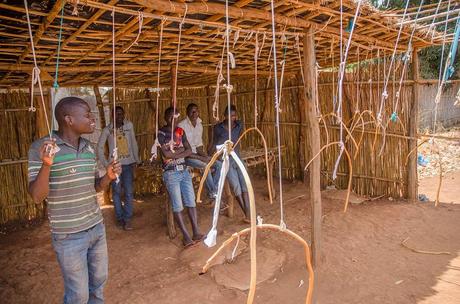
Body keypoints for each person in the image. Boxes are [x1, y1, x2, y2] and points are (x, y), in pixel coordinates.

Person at [28, 96, 121, 304]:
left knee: (98, 285)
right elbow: (36, 196)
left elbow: (95, 186)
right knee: (78, 295)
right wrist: (46, 164)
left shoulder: (89, 148)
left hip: (96, 228)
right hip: (68, 235)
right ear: (68, 120)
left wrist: (108, 177)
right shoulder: (41, 148)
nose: (92, 118)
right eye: (87, 115)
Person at [158, 107, 204, 248]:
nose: (174, 120)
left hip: (184, 171)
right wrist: (181, 151)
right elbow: (166, 155)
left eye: (176, 117)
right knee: (178, 205)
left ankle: (196, 232)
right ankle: (185, 236)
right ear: (166, 118)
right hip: (171, 173)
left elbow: (189, 149)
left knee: (191, 202)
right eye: (171, 117)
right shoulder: (160, 133)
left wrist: (174, 154)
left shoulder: (180, 131)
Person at [97, 106, 140, 230]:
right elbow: (99, 148)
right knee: (116, 192)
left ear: (124, 114)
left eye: (121, 114)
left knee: (129, 192)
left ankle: (127, 219)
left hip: (128, 164)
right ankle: (119, 217)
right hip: (115, 166)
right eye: (117, 114)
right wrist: (106, 165)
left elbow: (133, 143)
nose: (119, 116)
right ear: (112, 115)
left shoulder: (129, 126)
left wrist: (136, 160)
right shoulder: (108, 130)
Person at [209, 104, 250, 222]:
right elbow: (213, 144)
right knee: (236, 187)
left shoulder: (239, 125)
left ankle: (248, 214)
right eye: (230, 115)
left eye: (234, 115)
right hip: (226, 159)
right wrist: (212, 156)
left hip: (238, 158)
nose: (233, 118)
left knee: (244, 185)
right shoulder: (217, 128)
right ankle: (246, 214)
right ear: (224, 116)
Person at [178, 103, 221, 201]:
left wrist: (206, 156)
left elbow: (199, 146)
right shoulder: (181, 126)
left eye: (196, 111)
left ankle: (213, 192)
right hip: (186, 158)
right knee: (205, 166)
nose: (195, 113)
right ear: (187, 113)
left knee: (219, 165)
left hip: (197, 155)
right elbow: (185, 151)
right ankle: (215, 194)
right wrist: (202, 158)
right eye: (192, 111)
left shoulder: (199, 124)